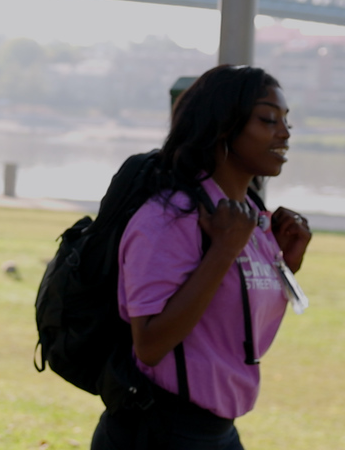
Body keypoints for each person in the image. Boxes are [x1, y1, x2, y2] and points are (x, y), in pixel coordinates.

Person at [91, 65, 313, 450]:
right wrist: (224, 251)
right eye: (268, 119)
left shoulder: (248, 215)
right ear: (224, 125)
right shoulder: (170, 216)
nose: (285, 133)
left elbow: (231, 330)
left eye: (286, 121)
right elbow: (151, 344)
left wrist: (285, 265)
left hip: (218, 432)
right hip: (160, 431)